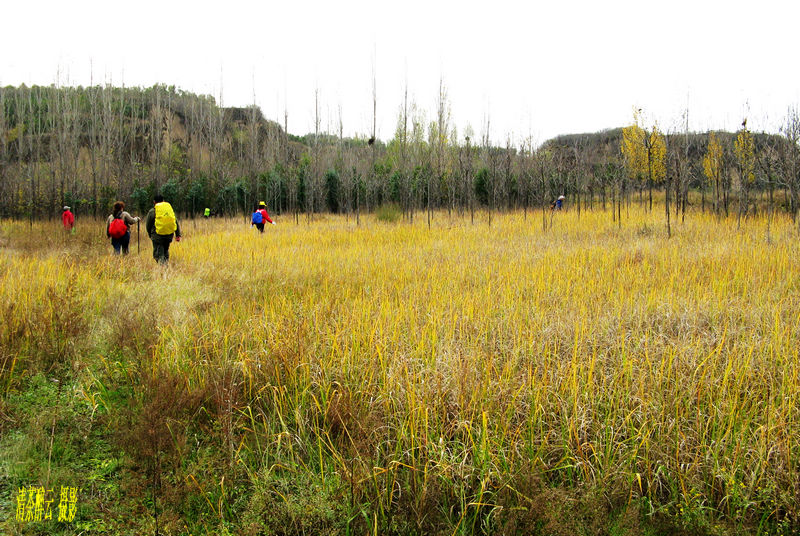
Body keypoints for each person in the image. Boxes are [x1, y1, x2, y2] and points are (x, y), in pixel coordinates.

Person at [145, 194, 181, 264]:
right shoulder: (168, 210)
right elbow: (175, 221)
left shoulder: (153, 211)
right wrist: (178, 234)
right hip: (169, 235)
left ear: (154, 202)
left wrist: (150, 234)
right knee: (165, 251)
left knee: (158, 254)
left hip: (157, 236)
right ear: (163, 200)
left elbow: (148, 225)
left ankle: (163, 269)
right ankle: (166, 267)